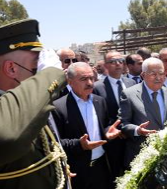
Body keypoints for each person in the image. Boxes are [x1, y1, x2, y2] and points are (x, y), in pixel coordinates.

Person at [0, 19, 69, 189]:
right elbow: (9, 137)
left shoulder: (30, 102)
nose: (39, 77)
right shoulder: (21, 104)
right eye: (36, 68)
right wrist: (49, 75)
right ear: (11, 69)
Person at [53, 62, 121, 189]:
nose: (90, 83)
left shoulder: (99, 101)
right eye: (84, 79)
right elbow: (55, 143)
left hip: (102, 167)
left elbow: (105, 125)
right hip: (77, 171)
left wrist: (107, 132)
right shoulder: (58, 107)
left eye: (91, 78)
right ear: (70, 81)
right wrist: (80, 144)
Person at [118, 57, 167, 167]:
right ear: (143, 75)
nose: (158, 78)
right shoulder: (129, 94)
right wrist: (138, 130)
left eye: (161, 73)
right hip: (142, 156)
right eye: (153, 74)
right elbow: (123, 123)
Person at [92, 51, 136, 182]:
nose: (117, 64)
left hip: (132, 137)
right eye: (112, 61)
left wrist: (129, 128)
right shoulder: (97, 87)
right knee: (116, 175)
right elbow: (99, 114)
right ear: (106, 65)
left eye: (120, 60)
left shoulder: (131, 83)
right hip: (113, 138)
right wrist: (114, 129)